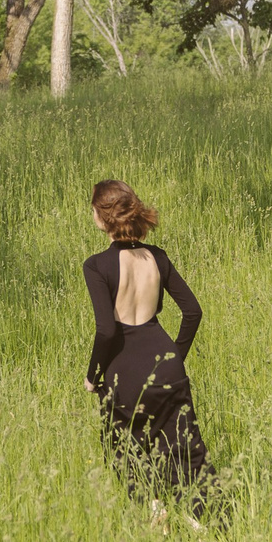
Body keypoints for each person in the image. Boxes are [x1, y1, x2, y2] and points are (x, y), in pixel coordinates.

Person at [82, 178, 215, 514]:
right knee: (186, 453)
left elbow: (107, 330)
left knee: (127, 451)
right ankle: (205, 524)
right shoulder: (157, 257)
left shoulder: (97, 265)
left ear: (102, 217)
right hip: (166, 365)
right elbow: (192, 312)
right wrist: (173, 358)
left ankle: (156, 515)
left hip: (123, 373)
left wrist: (93, 375)